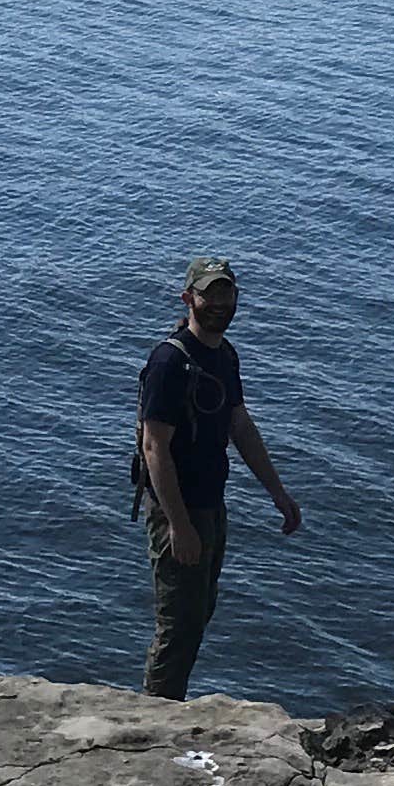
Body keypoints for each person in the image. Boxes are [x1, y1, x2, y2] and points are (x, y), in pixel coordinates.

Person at [135, 257, 301, 703]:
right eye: (211, 294)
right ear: (189, 297)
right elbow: (155, 448)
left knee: (198, 613)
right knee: (179, 624)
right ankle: (155, 716)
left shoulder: (224, 355)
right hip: (180, 510)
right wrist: (179, 525)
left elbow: (240, 426)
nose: (220, 304)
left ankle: (166, 706)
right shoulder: (171, 363)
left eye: (227, 294)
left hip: (211, 505)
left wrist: (278, 493)